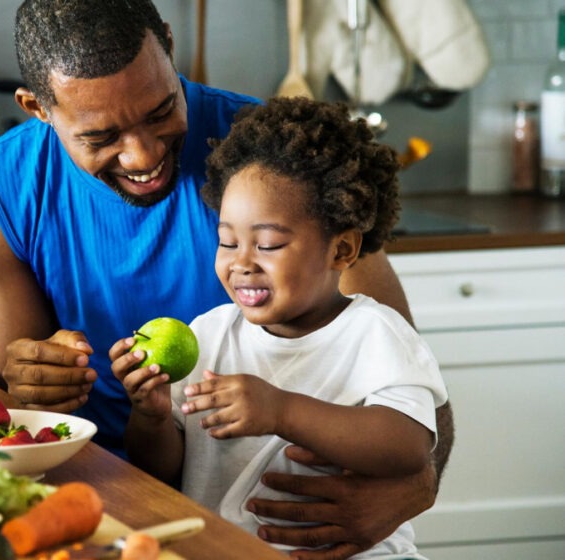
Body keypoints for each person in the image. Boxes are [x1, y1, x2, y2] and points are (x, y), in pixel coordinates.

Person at [0, 0, 455, 556]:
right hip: (102, 506)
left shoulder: (275, 161)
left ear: (168, 44)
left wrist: (412, 490)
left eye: (161, 109)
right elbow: (8, 408)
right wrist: (32, 379)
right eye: (101, 136)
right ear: (36, 108)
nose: (143, 154)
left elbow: (414, 392)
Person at [111, 97, 448, 558]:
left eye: (267, 244)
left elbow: (408, 446)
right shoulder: (209, 335)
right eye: (227, 241)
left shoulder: (374, 333)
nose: (241, 263)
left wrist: (281, 411)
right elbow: (163, 468)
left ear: (342, 251)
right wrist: (149, 416)